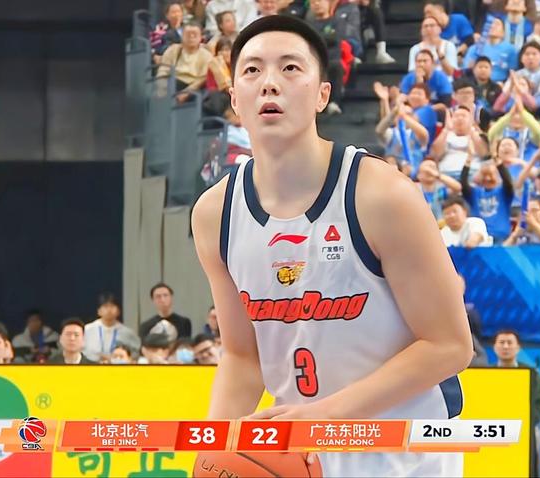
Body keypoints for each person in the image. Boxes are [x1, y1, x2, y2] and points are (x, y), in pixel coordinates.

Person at [191, 15, 472, 476]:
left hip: (403, 456)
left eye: (290, 68)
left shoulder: (382, 195)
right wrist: (213, 453)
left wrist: (325, 415)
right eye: (253, 70)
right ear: (235, 99)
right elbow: (243, 357)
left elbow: (449, 345)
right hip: (300, 453)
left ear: (323, 94)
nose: (269, 83)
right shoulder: (214, 213)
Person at [493, 329, 540, 477]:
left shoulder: (532, 374)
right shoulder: (484, 374)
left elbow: (538, 406)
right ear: (494, 347)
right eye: (501, 342)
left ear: (518, 347)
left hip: (526, 431)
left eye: (510, 343)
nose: (505, 346)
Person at [461, 156, 515, 243]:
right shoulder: (474, 193)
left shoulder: (503, 192)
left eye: (490, 175)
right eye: (484, 175)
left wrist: (498, 163)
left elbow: (508, 182)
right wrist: (468, 162)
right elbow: (463, 184)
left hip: (501, 236)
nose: (487, 178)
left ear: (497, 176)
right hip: (480, 237)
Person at [157, 22, 214, 104]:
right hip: (174, 82)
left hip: (194, 86)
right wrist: (161, 86)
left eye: (195, 34)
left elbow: (203, 78)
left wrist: (187, 92)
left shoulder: (206, 55)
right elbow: (163, 70)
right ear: (182, 36)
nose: (191, 37)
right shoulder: (173, 50)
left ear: (200, 37)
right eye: (188, 34)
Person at [83, 292, 141, 363]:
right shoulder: (87, 329)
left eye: (112, 306)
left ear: (118, 311)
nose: (109, 310)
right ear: (99, 311)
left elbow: (135, 354)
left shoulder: (128, 332)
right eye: (105, 306)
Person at [462, 18, 518, 83]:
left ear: (503, 32)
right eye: (490, 24)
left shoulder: (510, 49)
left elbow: (513, 71)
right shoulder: (475, 48)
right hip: (476, 83)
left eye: (497, 24)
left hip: (501, 83)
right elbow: (466, 68)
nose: (492, 26)